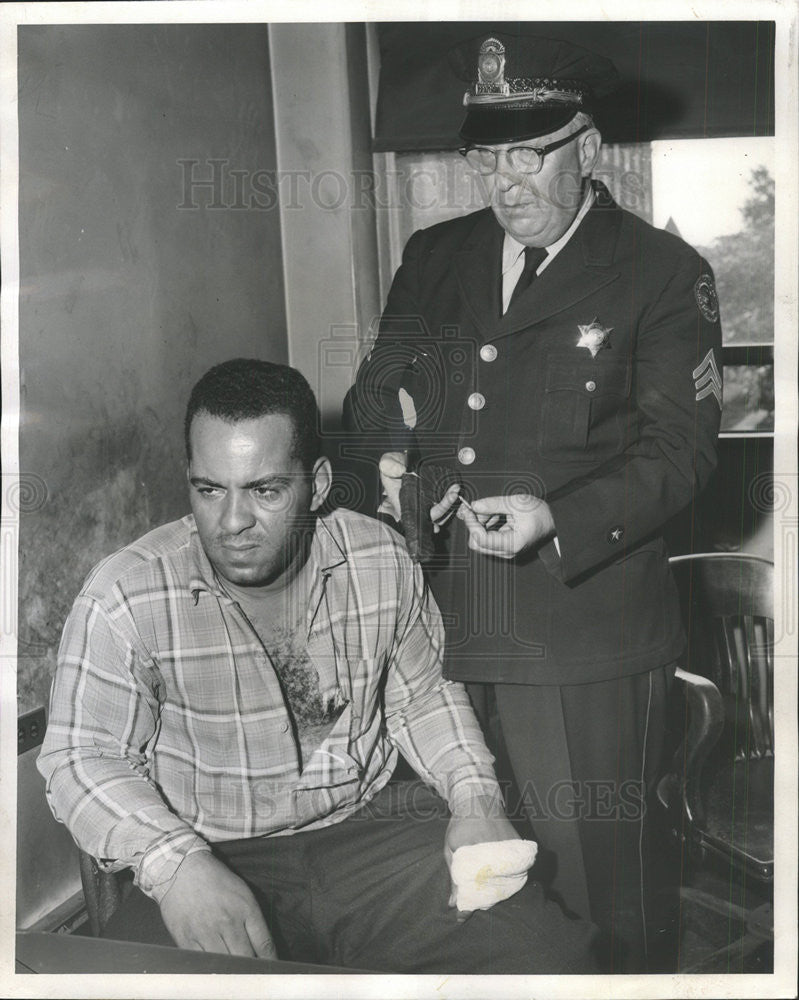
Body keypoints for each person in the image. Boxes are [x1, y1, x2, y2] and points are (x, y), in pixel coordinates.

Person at [343, 32, 722, 972]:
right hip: (440, 627)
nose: (504, 183)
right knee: (466, 885)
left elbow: (681, 453)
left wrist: (559, 515)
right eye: (486, 158)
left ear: (587, 148)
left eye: (527, 154)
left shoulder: (662, 276)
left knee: (600, 890)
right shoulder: (436, 256)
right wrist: (391, 456)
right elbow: (374, 392)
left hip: (580, 632)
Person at [38, 358, 597, 974]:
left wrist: (475, 797)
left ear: (319, 482)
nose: (232, 523)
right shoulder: (126, 594)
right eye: (210, 489)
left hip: (371, 836)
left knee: (551, 961)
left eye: (266, 490)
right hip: (214, 849)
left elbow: (422, 696)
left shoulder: (382, 559)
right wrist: (177, 866)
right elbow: (80, 755)